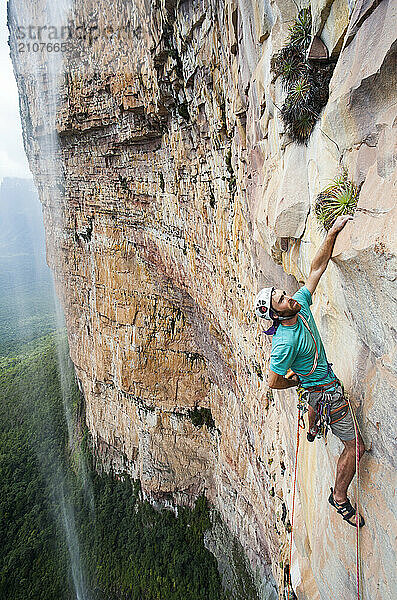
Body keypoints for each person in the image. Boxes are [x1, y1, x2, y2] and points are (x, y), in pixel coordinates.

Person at [254, 215, 365, 527]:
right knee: (355, 446)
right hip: (323, 390)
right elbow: (272, 380)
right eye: (281, 299)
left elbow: (316, 269)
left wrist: (331, 233)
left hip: (316, 387)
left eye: (283, 293)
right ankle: (339, 498)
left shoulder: (299, 305)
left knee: (312, 402)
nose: (288, 295)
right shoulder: (284, 343)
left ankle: (312, 428)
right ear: (276, 313)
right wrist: (296, 380)